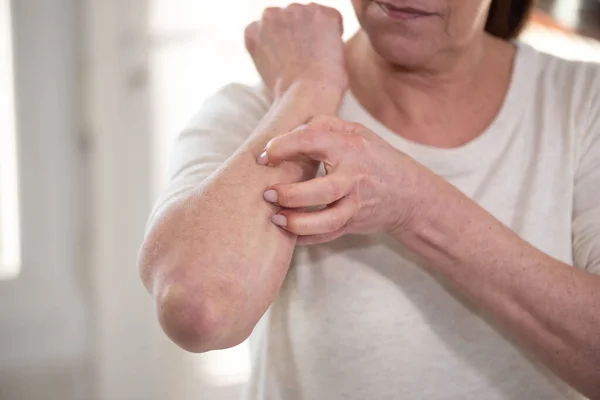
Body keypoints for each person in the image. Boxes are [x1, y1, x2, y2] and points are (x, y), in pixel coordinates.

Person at [138, 0, 600, 398]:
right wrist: (309, 92)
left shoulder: (583, 103)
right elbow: (199, 310)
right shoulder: (257, 112)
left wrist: (416, 205)